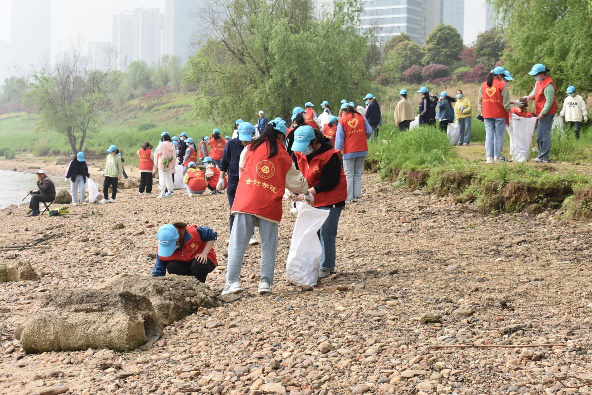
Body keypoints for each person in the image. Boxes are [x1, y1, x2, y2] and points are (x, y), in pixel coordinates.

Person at [222, 119, 309, 296]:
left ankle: (232, 283)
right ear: (282, 135)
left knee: (237, 244)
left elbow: (242, 171)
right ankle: (265, 283)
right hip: (269, 203)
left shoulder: (250, 148)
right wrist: (306, 189)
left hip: (245, 200)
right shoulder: (283, 155)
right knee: (268, 245)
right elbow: (297, 184)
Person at [291, 126, 347, 280]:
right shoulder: (298, 154)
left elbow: (330, 181)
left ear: (315, 142)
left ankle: (326, 266)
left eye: (306, 147)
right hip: (311, 199)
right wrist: (292, 189)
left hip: (331, 199)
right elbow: (295, 173)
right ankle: (313, 264)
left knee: (326, 233)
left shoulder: (331, 155)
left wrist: (307, 193)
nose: (303, 151)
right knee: (311, 232)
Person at [152, 223, 217, 283]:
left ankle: (199, 286)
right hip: (183, 264)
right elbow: (159, 270)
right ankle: (184, 286)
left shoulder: (194, 233)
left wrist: (204, 253)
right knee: (172, 266)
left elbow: (211, 234)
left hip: (203, 260)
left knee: (198, 264)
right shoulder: (162, 250)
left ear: (177, 240)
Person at [219, 122, 254, 231]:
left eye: (248, 139)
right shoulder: (231, 144)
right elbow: (224, 161)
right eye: (243, 139)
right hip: (234, 181)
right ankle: (233, 235)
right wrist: (221, 178)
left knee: (249, 210)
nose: (245, 142)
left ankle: (250, 235)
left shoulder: (255, 145)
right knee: (234, 209)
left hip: (249, 182)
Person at [335, 102, 372, 203]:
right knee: (358, 173)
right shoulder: (361, 117)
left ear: (344, 111)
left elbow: (339, 139)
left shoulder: (342, 120)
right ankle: (356, 195)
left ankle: (348, 197)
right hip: (362, 149)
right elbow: (369, 131)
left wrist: (337, 152)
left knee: (349, 174)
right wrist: (365, 137)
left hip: (349, 151)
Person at [522, 64, 558, 163]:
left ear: (542, 74)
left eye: (536, 75)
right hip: (540, 111)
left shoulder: (549, 85)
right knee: (539, 135)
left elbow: (549, 102)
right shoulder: (538, 82)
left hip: (547, 112)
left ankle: (544, 157)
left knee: (544, 135)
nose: (534, 77)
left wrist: (542, 113)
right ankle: (541, 155)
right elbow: (534, 92)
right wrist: (528, 97)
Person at [478, 66, 511, 163]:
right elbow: (506, 103)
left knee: (489, 135)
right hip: (499, 114)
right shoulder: (502, 85)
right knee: (499, 136)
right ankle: (498, 157)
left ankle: (489, 157)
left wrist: (481, 111)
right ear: (500, 75)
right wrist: (509, 111)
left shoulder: (483, 85)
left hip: (487, 114)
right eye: (502, 76)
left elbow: (479, 101)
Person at [154, 132, 176, 198]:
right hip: (170, 164)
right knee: (169, 178)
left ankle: (162, 193)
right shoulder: (172, 144)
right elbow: (174, 156)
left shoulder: (161, 144)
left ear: (163, 137)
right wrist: (173, 165)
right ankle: (169, 192)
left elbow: (156, 154)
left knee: (162, 178)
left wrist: (155, 164)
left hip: (162, 164)